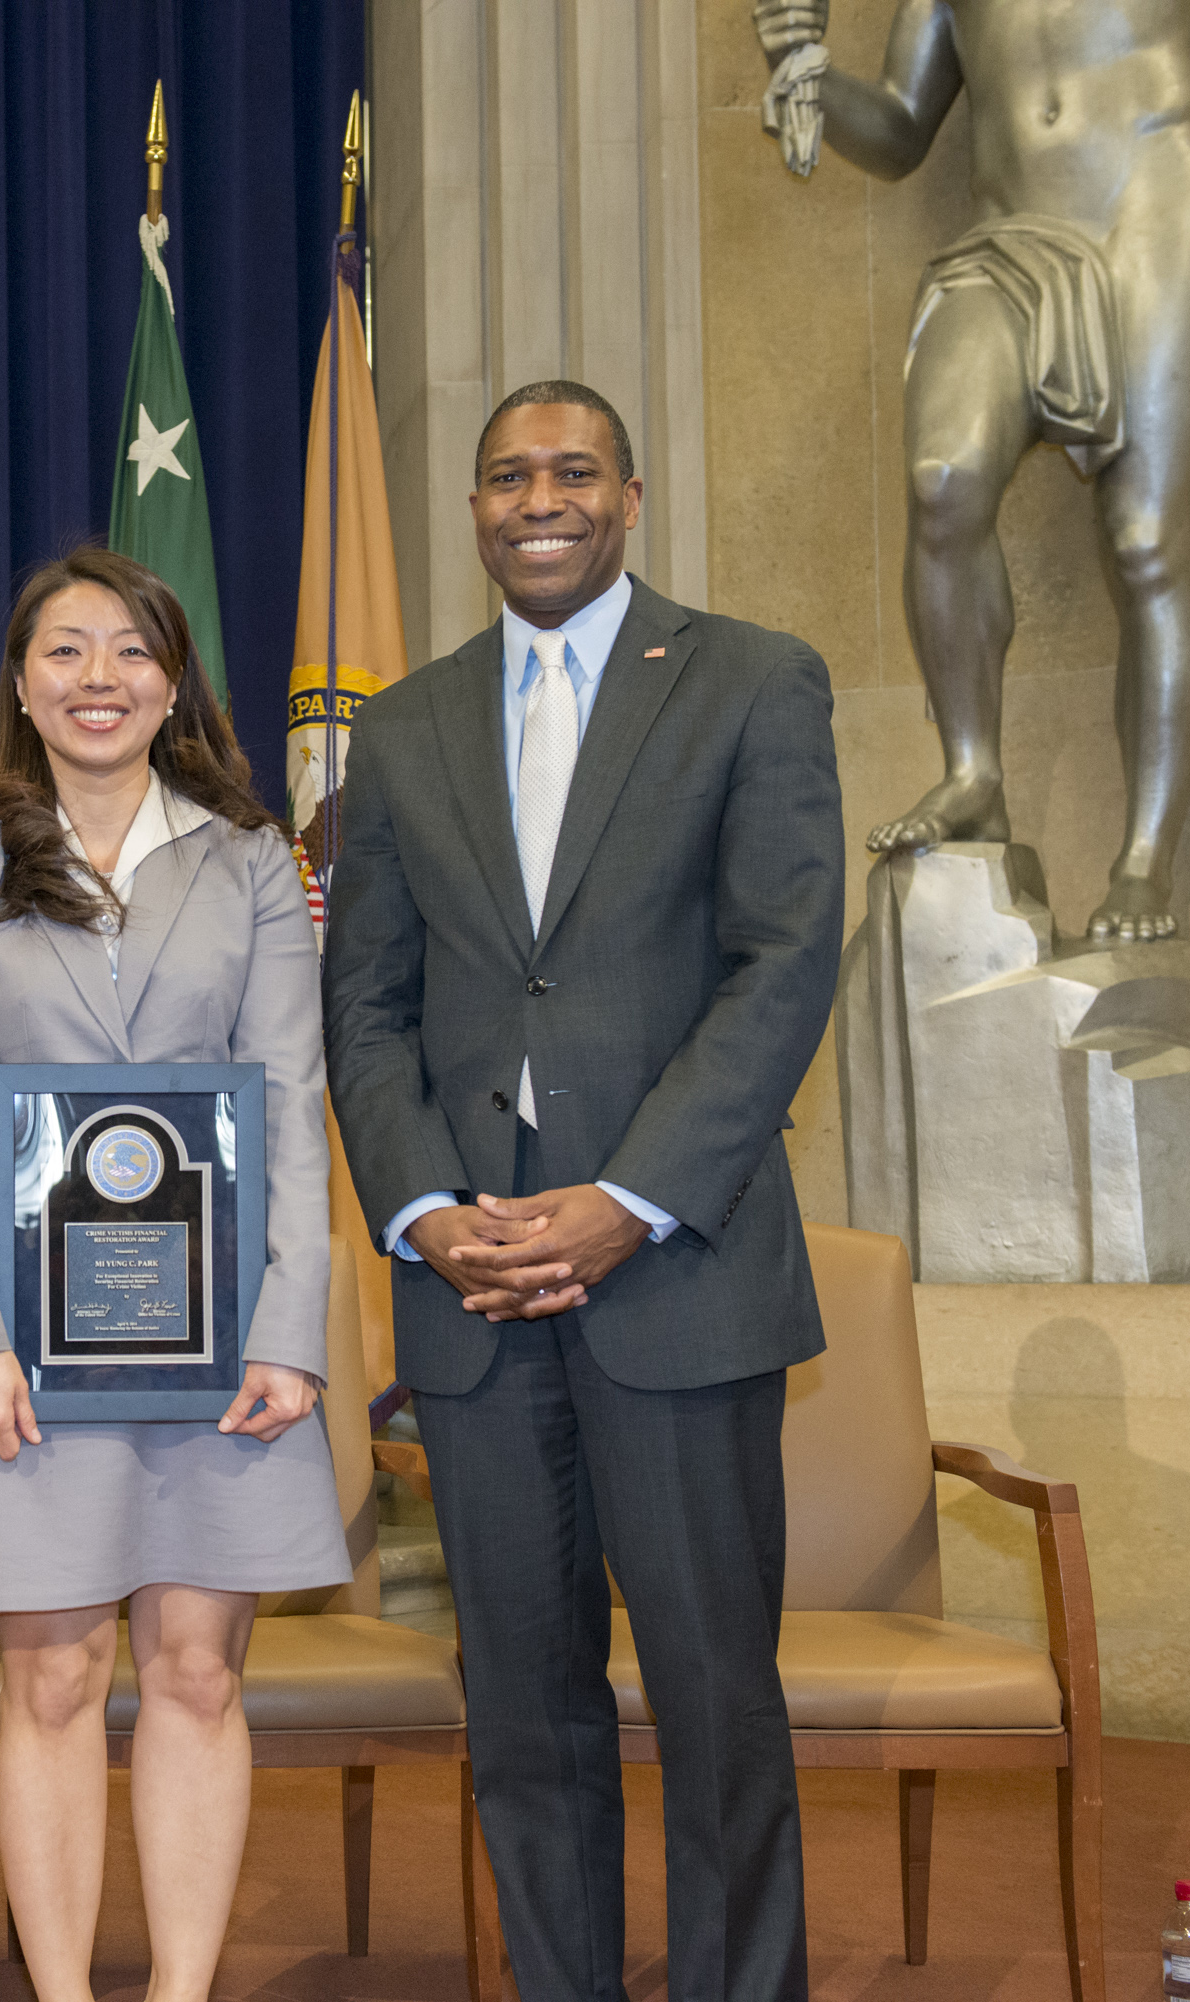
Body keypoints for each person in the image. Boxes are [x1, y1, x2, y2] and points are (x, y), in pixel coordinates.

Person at [322, 382, 844, 2002]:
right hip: (474, 1292)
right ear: (473, 506)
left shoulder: (752, 679)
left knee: (712, 1700)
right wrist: (423, 1212)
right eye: (503, 476)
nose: (534, 498)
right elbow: (368, 1005)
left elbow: (782, 962)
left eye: (569, 471)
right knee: (526, 1712)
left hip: (676, 1278)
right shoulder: (404, 725)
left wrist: (629, 1196)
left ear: (628, 493)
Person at [0, 548, 346, 2002]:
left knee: (200, 1674)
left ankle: (180, 1992)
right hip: (25, 1348)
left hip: (223, 1344)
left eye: (132, 651)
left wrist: (291, 1327)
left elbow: (292, 1093)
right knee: (49, 1676)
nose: (101, 679)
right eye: (67, 651)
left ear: (173, 680)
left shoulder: (251, 856)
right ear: (20, 681)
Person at [757, 0, 1190, 941]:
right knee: (942, 480)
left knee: (1146, 543)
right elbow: (899, 125)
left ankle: (1143, 860)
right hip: (1011, 232)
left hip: (1153, 205)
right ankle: (974, 771)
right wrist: (809, 67)